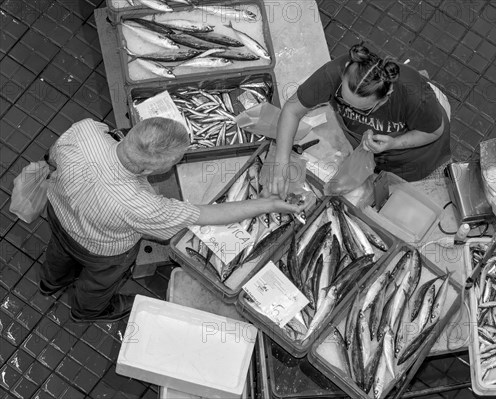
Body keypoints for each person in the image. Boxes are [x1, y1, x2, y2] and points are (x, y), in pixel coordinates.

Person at [41, 117, 303, 323]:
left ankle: (51, 282)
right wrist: (268, 203)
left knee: (58, 253)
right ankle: (87, 311)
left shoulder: (85, 131)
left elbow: (52, 156)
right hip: (101, 251)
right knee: (98, 283)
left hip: (58, 214)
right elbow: (207, 215)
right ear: (149, 171)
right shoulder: (143, 205)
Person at [271, 43, 452, 197]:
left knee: (413, 190)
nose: (349, 109)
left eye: (363, 109)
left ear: (386, 95)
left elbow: (434, 131)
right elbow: (292, 110)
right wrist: (281, 161)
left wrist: (394, 143)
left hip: (417, 150)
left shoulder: (415, 96)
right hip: (375, 149)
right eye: (342, 99)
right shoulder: (334, 73)